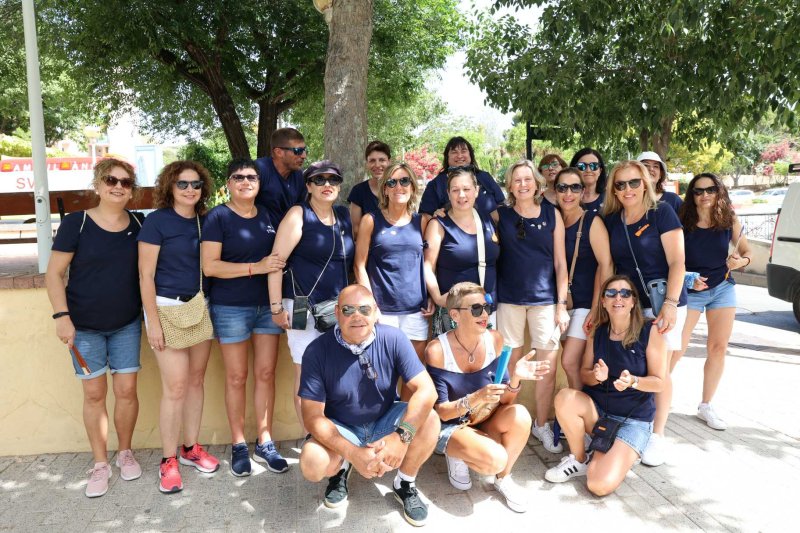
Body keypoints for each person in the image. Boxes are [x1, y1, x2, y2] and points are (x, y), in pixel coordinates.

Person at [298, 285, 440, 527]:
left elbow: (427, 391)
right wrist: (352, 453)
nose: (357, 316)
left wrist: (400, 438)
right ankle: (342, 467)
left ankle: (404, 482)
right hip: (342, 427)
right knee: (312, 462)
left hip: (384, 420)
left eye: (364, 309)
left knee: (430, 419)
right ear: (336, 312)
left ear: (375, 312)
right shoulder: (316, 351)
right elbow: (312, 417)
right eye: (348, 309)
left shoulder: (393, 338)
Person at [46, 158, 144, 498]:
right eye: (111, 180)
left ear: (132, 189)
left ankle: (125, 453)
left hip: (127, 325)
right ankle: (101, 463)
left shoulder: (139, 224)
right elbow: (54, 274)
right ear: (98, 184)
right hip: (83, 326)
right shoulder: (77, 224)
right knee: (94, 394)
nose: (118, 186)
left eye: (126, 182)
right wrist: (62, 317)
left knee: (127, 393)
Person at [426, 282, 551, 512]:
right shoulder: (437, 350)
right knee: (493, 459)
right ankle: (457, 452)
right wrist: (476, 397)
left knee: (521, 415)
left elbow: (505, 402)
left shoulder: (495, 339)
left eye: (487, 307)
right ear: (454, 315)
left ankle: (503, 479)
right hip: (453, 424)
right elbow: (441, 411)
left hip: (485, 417)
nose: (484, 314)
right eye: (475, 309)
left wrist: (515, 380)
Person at [201, 159, 289, 477]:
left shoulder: (268, 216)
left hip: (267, 307)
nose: (245, 181)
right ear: (229, 183)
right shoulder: (218, 217)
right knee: (237, 377)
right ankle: (239, 444)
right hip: (230, 308)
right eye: (238, 177)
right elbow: (210, 266)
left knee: (266, 374)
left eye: (251, 177)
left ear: (259, 183)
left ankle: (265, 442)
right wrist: (256, 267)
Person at [138, 160, 219, 494]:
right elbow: (145, 276)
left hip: (199, 306)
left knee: (196, 381)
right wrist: (153, 324)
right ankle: (168, 460)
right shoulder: (156, 222)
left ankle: (190, 448)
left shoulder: (205, 221)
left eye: (196, 184)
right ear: (169, 186)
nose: (190, 190)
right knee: (175, 388)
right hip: (166, 309)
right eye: (183, 184)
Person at [545, 276, 666, 496]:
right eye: (611, 293)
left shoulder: (650, 332)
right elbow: (584, 374)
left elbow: (659, 383)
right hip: (599, 415)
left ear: (632, 301)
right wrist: (597, 376)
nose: (618, 297)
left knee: (598, 485)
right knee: (565, 397)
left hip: (633, 421)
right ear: (603, 301)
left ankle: (619, 451)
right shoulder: (597, 331)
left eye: (625, 293)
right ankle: (580, 459)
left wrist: (634, 382)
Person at [601, 160, 687, 467]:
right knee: (636, 366)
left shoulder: (661, 212)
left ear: (645, 183)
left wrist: (672, 303)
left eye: (634, 182)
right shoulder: (613, 220)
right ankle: (637, 425)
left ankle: (658, 435)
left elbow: (678, 261)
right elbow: (609, 266)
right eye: (620, 184)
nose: (627, 189)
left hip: (664, 301)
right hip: (630, 304)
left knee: (659, 369)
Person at [268, 160, 354, 432]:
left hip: (339, 310)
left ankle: (337, 433)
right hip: (303, 307)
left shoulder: (343, 215)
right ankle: (313, 436)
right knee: (306, 374)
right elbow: (276, 262)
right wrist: (275, 307)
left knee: (338, 373)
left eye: (333, 180)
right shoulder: (299, 214)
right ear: (308, 186)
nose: (327, 185)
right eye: (319, 180)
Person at [493, 159, 569, 453]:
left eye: (528, 179)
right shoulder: (500, 216)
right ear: (510, 186)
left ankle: (540, 424)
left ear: (537, 184)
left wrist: (561, 305)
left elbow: (561, 264)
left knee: (546, 369)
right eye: (517, 180)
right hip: (509, 300)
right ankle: (504, 422)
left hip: (545, 301)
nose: (523, 184)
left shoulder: (552, 215)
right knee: (511, 366)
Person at [674, 173, 751, 430]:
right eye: (698, 191)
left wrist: (741, 261)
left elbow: (746, 251)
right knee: (676, 348)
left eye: (710, 190)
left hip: (722, 287)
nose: (704, 195)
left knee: (718, 348)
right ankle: (652, 397)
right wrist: (687, 279)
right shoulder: (682, 220)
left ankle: (706, 405)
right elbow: (670, 259)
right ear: (691, 194)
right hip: (691, 289)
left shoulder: (728, 219)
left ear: (719, 192)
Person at [354, 162, 432, 362]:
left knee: (413, 374)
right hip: (383, 310)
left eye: (405, 181)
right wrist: (370, 305)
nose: (399, 187)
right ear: (385, 190)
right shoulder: (370, 220)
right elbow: (359, 266)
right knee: (382, 373)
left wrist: (431, 295)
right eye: (392, 182)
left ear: (413, 187)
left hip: (417, 310)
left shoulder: (421, 222)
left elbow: (427, 264)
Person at [553, 167, 613, 390]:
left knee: (569, 362)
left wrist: (599, 306)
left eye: (575, 187)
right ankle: (579, 410)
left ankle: (577, 409)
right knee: (573, 364)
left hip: (586, 305)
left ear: (583, 191)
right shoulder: (553, 218)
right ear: (555, 191)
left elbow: (606, 264)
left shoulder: (591, 221)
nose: (568, 193)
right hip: (561, 304)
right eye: (562, 187)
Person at [423, 167, 500, 330]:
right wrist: (437, 297)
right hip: (455, 312)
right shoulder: (439, 224)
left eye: (466, 189)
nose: (462, 195)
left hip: (487, 309)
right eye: (455, 190)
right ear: (448, 193)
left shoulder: (489, 221)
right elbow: (427, 266)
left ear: (476, 191)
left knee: (487, 354)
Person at [418, 136, 505, 223]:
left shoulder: (485, 177)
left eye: (463, 151)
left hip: (490, 232)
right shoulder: (436, 185)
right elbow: (424, 216)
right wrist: (435, 218)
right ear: (447, 157)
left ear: (470, 155)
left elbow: (502, 204)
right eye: (454, 152)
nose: (459, 156)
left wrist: (488, 221)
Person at [254, 127, 308, 225]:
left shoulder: (299, 176)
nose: (304, 156)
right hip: (257, 234)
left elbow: (299, 211)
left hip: (287, 235)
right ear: (279, 152)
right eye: (298, 151)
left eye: (304, 150)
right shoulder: (259, 169)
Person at [349, 140, 391, 237]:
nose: (377, 165)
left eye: (382, 160)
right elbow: (355, 230)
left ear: (389, 162)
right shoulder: (358, 191)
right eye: (372, 161)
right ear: (367, 164)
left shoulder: (400, 188)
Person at [569, 147, 607, 214]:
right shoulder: (566, 199)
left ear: (600, 171)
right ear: (574, 170)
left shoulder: (610, 199)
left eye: (594, 166)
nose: (588, 170)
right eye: (582, 166)